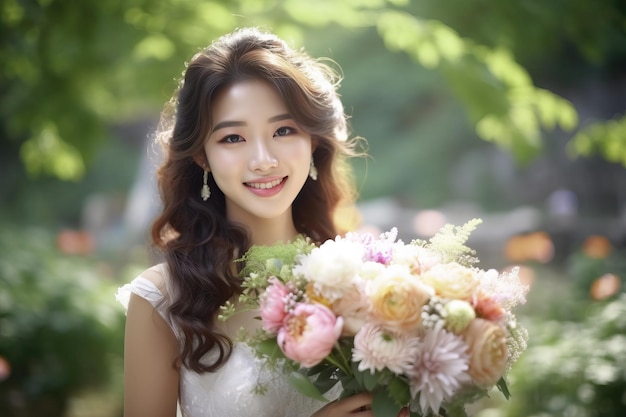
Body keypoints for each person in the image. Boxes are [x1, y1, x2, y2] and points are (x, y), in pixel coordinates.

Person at [117, 27, 399, 417]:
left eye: (283, 131)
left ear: (313, 141)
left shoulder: (369, 279)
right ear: (202, 156)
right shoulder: (164, 299)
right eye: (233, 138)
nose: (263, 159)